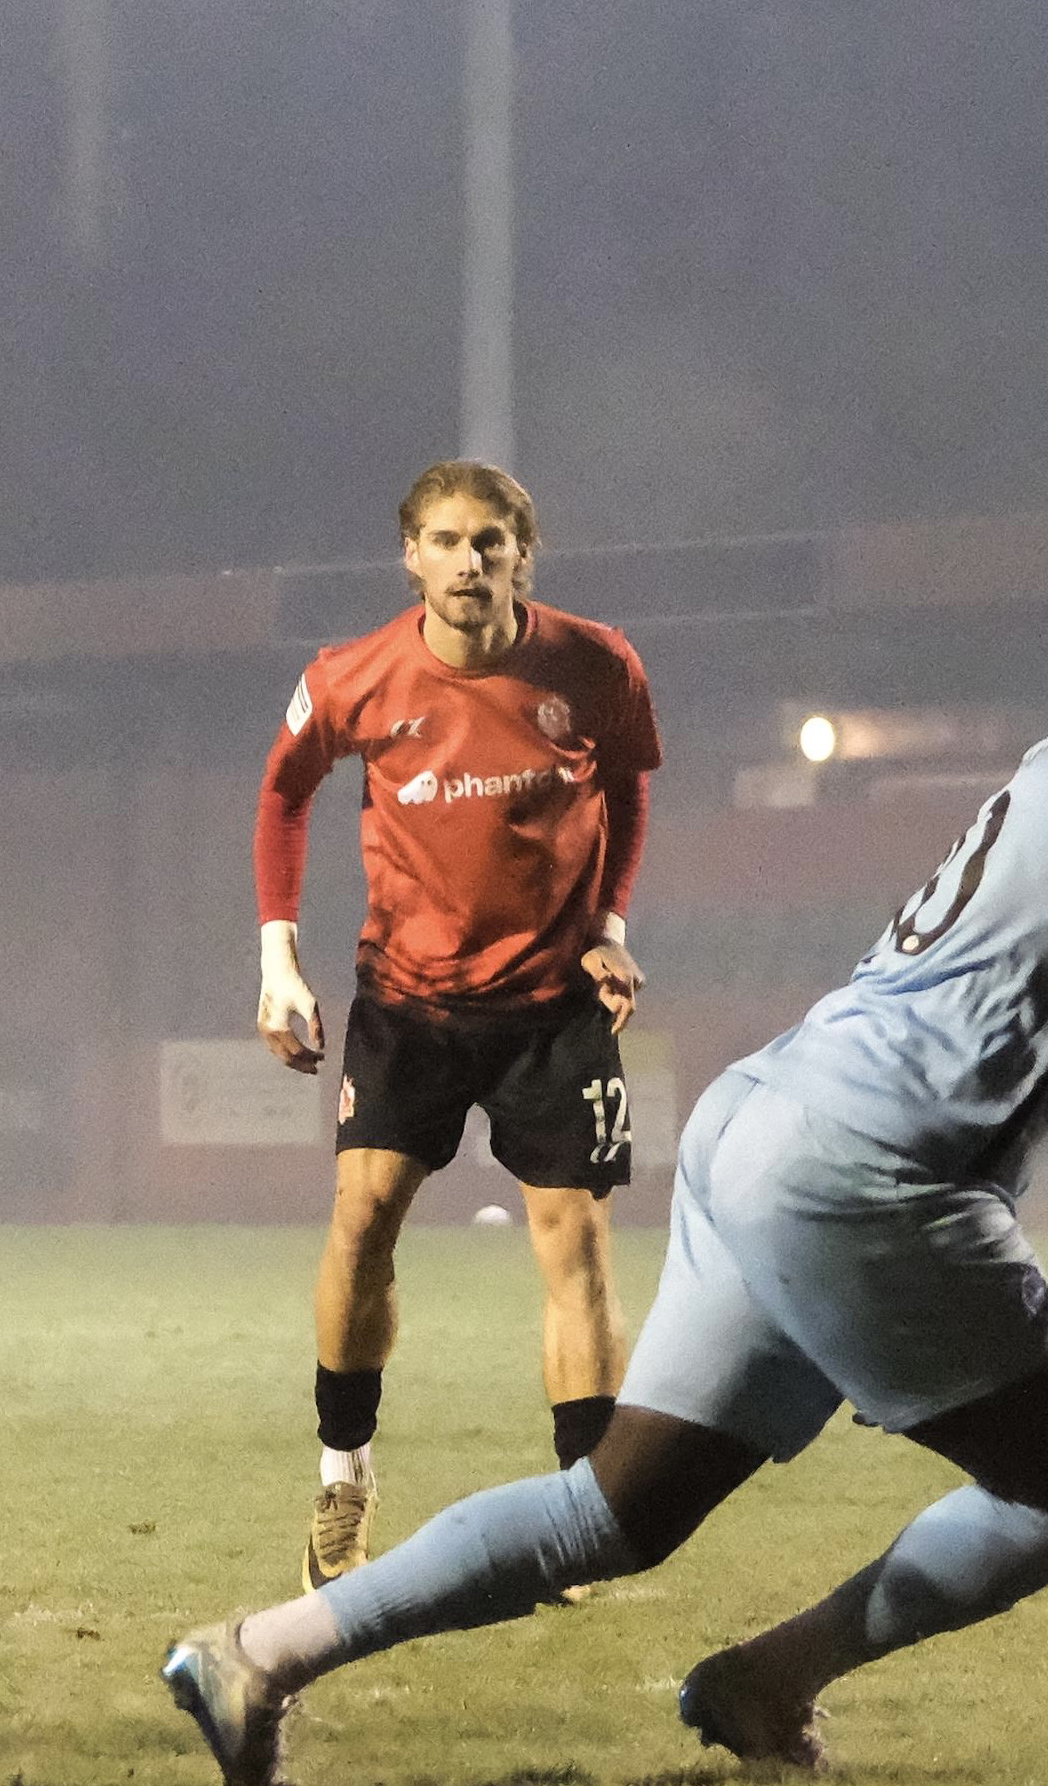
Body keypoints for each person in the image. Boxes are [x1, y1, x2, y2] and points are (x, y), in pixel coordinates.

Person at [167, 541, 1048, 1786]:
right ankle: (771, 1678)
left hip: (767, 1118)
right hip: (875, 1168)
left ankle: (257, 1651)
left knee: (609, 1517)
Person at [253, 460, 661, 1590]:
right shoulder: (352, 677)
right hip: (409, 1002)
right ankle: (344, 1474)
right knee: (362, 1220)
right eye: (445, 540)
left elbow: (626, 788)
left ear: (523, 555)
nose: (468, 561)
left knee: (573, 1243)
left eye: (489, 541)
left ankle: (583, 1516)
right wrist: (277, 958)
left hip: (551, 1004)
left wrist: (612, 923)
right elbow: (284, 789)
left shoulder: (595, 664)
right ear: (410, 556)